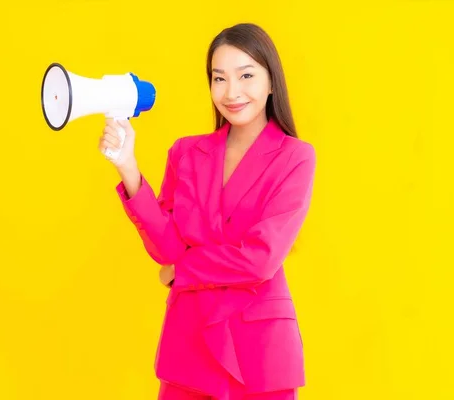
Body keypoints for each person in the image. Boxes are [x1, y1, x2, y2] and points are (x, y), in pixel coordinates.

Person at [98, 22, 316, 400]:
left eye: (246, 75)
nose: (232, 92)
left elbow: (259, 260)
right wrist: (128, 167)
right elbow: (166, 248)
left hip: (259, 354)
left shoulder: (295, 157)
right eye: (219, 78)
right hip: (189, 345)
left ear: (270, 82)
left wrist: (183, 271)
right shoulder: (186, 152)